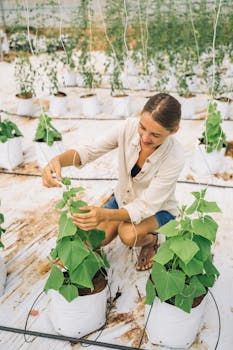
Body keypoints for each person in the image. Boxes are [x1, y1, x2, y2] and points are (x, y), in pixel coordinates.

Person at [42, 93, 185, 271]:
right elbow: (91, 150)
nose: (145, 137)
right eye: (142, 127)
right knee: (95, 239)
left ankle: (151, 241)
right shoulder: (128, 128)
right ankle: (118, 220)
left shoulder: (175, 155)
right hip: (123, 199)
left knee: (128, 235)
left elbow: (146, 205)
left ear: (174, 130)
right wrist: (58, 160)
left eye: (155, 135)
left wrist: (105, 215)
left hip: (158, 209)